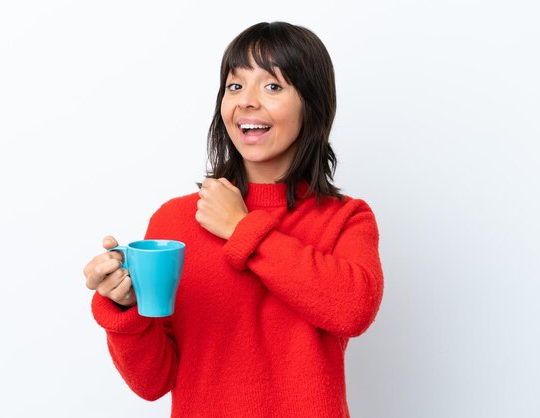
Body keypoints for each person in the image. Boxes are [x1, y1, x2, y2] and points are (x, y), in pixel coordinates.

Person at [83, 21, 384, 418]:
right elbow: (153, 383)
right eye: (235, 86)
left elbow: (353, 310)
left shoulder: (347, 219)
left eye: (272, 86)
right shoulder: (175, 221)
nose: (246, 101)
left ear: (312, 103)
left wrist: (242, 229)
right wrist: (122, 307)